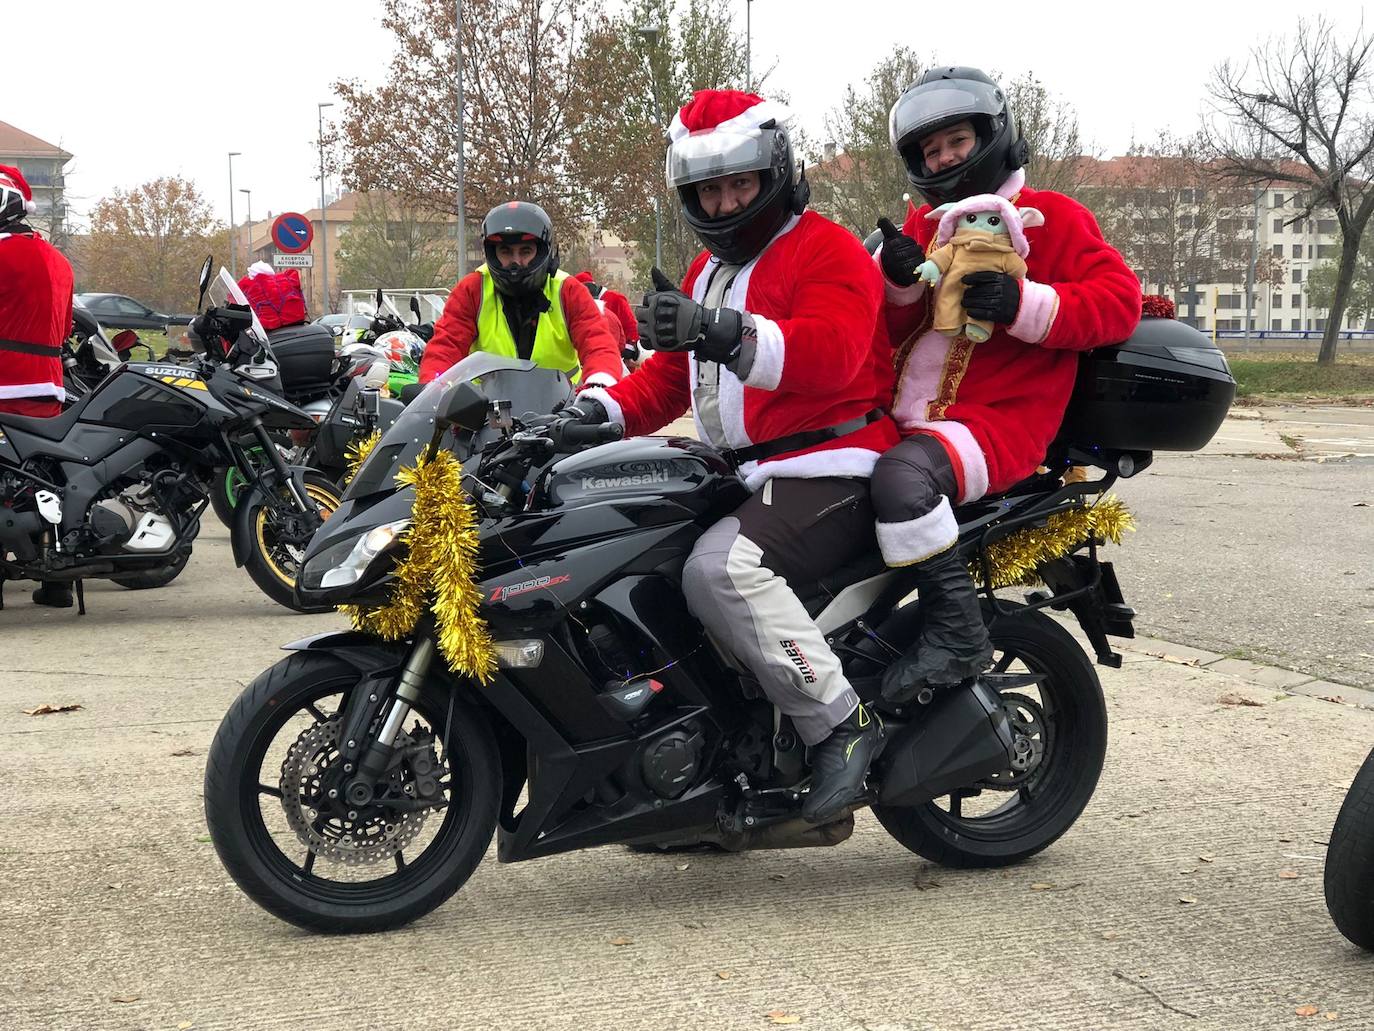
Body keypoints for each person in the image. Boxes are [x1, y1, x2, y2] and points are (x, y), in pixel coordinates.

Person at [567, 90, 901, 824]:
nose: (723, 204)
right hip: (748, 474)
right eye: (708, 190)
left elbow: (834, 353)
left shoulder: (826, 249)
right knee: (632, 550)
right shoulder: (704, 273)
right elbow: (664, 379)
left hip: (834, 463)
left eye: (738, 186)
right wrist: (592, 412)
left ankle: (842, 723)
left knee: (720, 569)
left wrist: (722, 331)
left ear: (774, 175)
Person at [871, 67, 1141, 700]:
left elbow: (1117, 302)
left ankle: (958, 632)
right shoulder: (920, 231)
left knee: (901, 480)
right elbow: (880, 330)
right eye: (929, 150)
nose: (943, 158)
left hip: (998, 422)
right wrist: (898, 281)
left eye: (955, 141)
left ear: (992, 136)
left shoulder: (1051, 219)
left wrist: (1023, 304)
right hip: (903, 419)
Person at [418, 202, 623, 387]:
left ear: (543, 251)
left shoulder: (568, 290)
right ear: (492, 254)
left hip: (563, 412)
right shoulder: (472, 290)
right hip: (486, 415)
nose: (516, 262)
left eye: (525, 251)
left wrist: (598, 387)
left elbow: (598, 344)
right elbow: (446, 346)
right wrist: (432, 388)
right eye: (506, 252)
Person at [0, 164, 77, 607]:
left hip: (3, 381)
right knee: (42, 477)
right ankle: (55, 582)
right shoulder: (58, 261)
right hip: (48, 387)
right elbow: (65, 327)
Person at [572, 270, 641, 371]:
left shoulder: (616, 299)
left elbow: (632, 328)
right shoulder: (583, 305)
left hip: (620, 355)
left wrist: (629, 351)